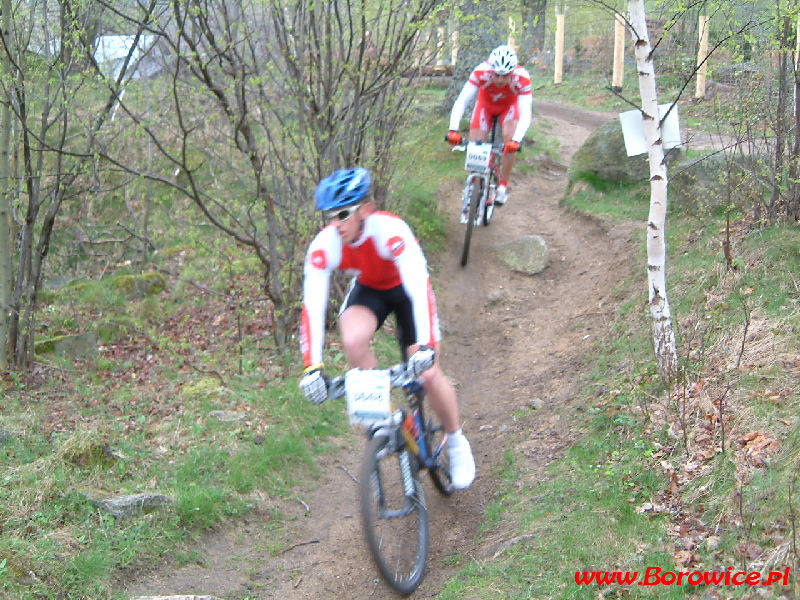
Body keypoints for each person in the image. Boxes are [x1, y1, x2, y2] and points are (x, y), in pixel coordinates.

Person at [298, 167, 476, 490]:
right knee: (352, 341)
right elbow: (311, 306)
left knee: (428, 372)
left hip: (408, 292)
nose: (334, 225)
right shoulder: (325, 245)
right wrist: (312, 366)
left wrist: (423, 348)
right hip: (370, 289)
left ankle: (455, 439)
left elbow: (418, 287)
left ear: (365, 210)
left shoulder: (390, 231)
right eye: (329, 217)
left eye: (342, 215)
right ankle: (393, 415)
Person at [446, 44, 533, 216]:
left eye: (505, 75)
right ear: (491, 69)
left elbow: (526, 114)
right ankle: (474, 183)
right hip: (485, 106)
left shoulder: (522, 78)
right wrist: (453, 129)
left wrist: (516, 140)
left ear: (512, 72)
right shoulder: (481, 72)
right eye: (497, 75)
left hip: (509, 108)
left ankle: (502, 185)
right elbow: (462, 101)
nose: (500, 80)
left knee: (510, 139)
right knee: (476, 143)